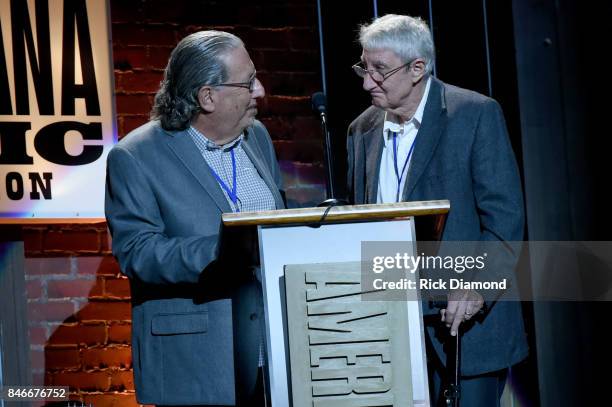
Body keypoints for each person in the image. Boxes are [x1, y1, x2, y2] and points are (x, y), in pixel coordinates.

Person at [346, 15, 527, 406]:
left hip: (464, 328)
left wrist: (479, 285)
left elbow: (506, 220)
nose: (366, 82)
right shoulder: (360, 130)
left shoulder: (475, 114)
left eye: (379, 70)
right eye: (364, 67)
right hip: (387, 329)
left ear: (417, 68)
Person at [105, 30, 284, 406]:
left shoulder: (257, 138)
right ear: (207, 96)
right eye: (248, 82)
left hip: (273, 356)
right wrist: (227, 248)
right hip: (198, 361)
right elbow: (137, 252)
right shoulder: (136, 156)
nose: (260, 91)